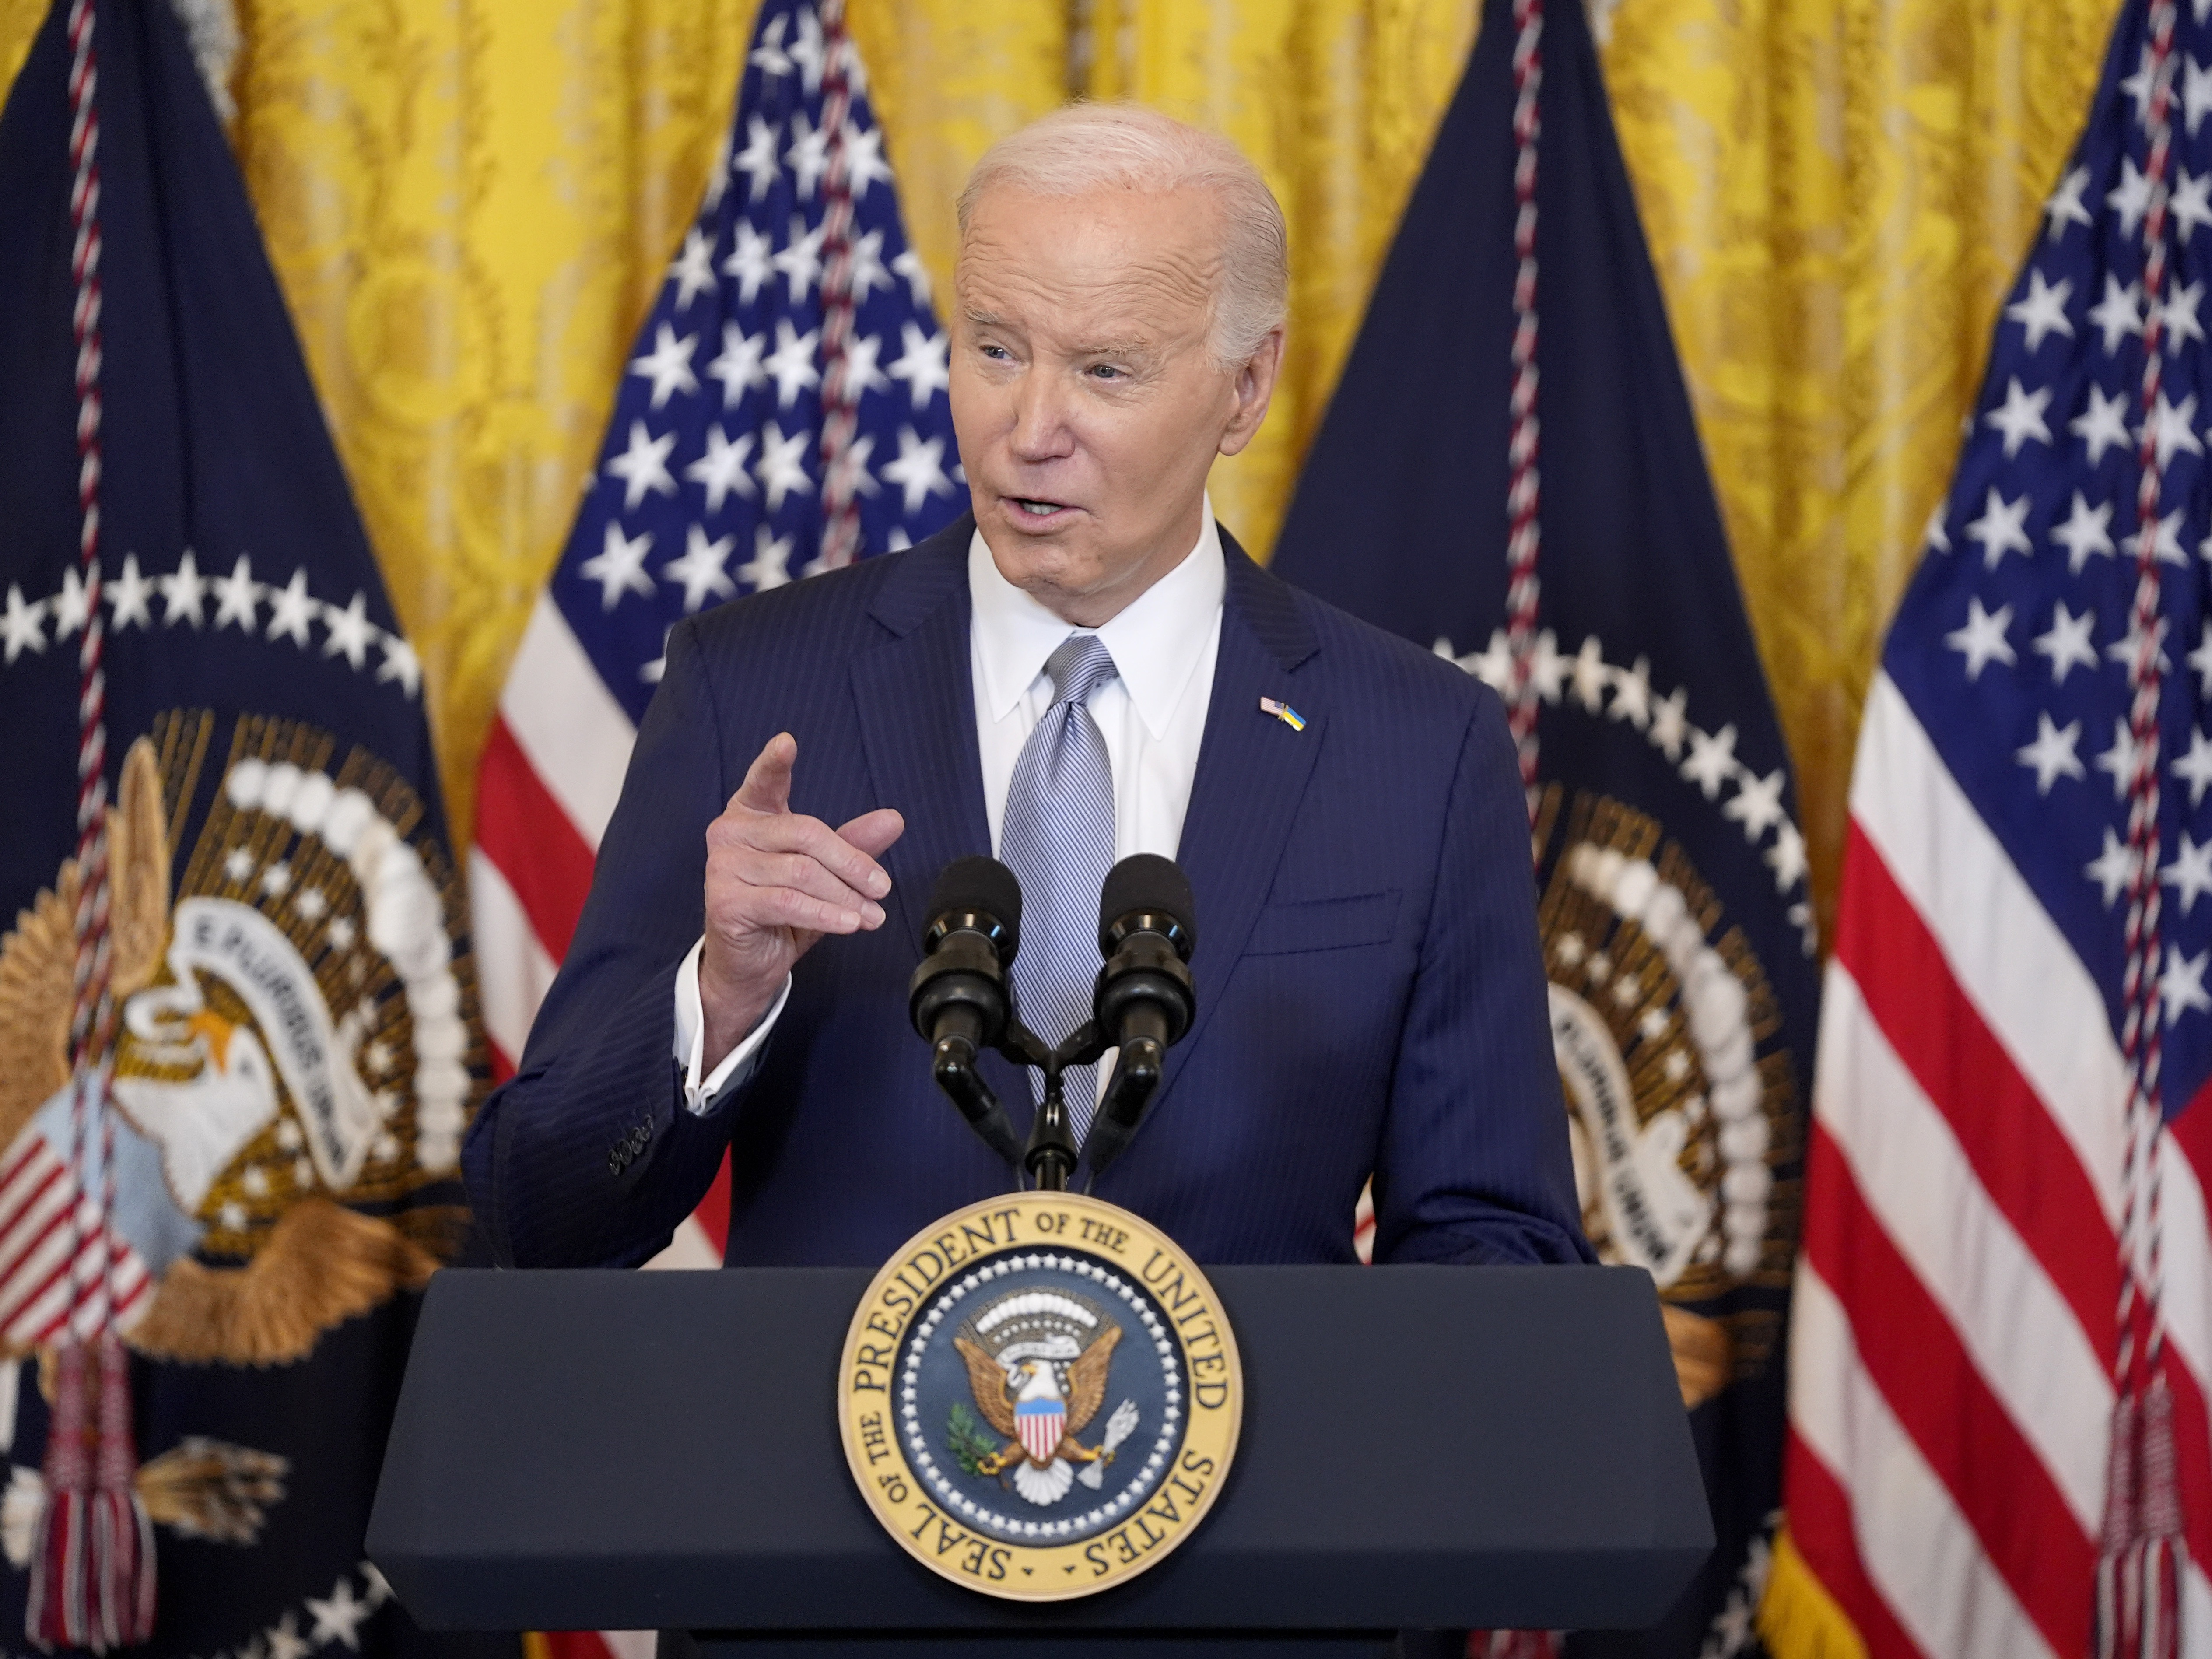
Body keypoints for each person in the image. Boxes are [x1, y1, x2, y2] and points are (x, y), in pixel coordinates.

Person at [463, 104, 1588, 1272]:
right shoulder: (751, 692)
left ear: (1247, 389)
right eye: (995, 348)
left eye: (1105, 369)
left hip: (1261, 1451)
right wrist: (721, 994)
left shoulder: (1417, 749)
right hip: (832, 1452)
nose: (1028, 428)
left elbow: (1494, 1246)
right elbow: (537, 1220)